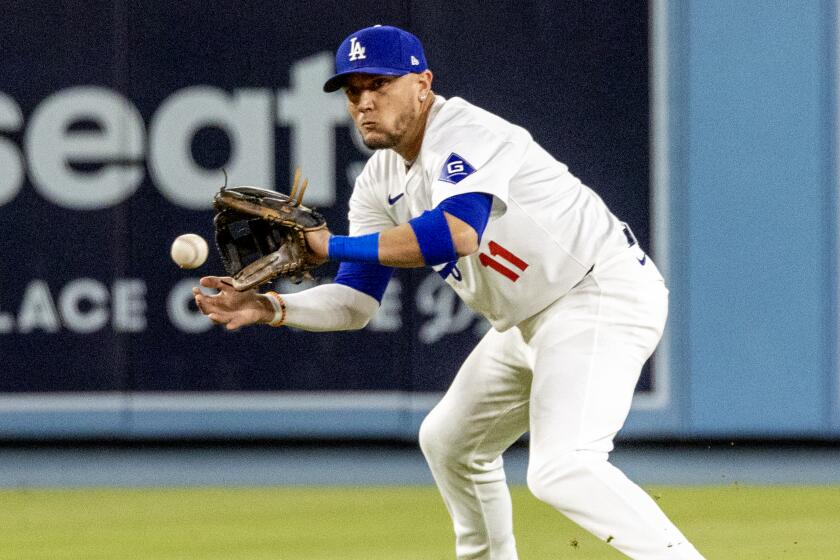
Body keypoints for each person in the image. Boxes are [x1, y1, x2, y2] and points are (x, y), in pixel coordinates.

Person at [194, 24, 704, 560]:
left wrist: (334, 245)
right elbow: (354, 303)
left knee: (564, 468)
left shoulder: (468, 132)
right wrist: (269, 306)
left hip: (598, 294)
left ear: (422, 84)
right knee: (450, 443)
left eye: (379, 85)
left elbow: (457, 233)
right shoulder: (378, 180)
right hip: (529, 322)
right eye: (353, 91)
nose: (364, 102)